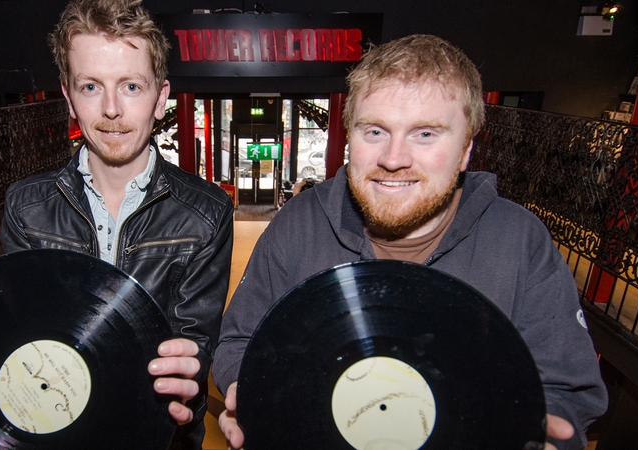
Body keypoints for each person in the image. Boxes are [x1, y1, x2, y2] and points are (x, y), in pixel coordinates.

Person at [213, 34, 607, 450]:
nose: (394, 158)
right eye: (375, 131)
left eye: (425, 134)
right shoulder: (298, 223)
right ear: (350, 136)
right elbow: (240, 342)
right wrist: (255, 395)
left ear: (465, 150)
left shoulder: (520, 241)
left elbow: (566, 390)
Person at [0, 0, 233, 449]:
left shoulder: (206, 212)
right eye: (90, 86)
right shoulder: (27, 207)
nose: (112, 109)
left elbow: (194, 348)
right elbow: (18, 335)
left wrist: (187, 386)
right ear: (68, 97)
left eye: (131, 86)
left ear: (160, 99)